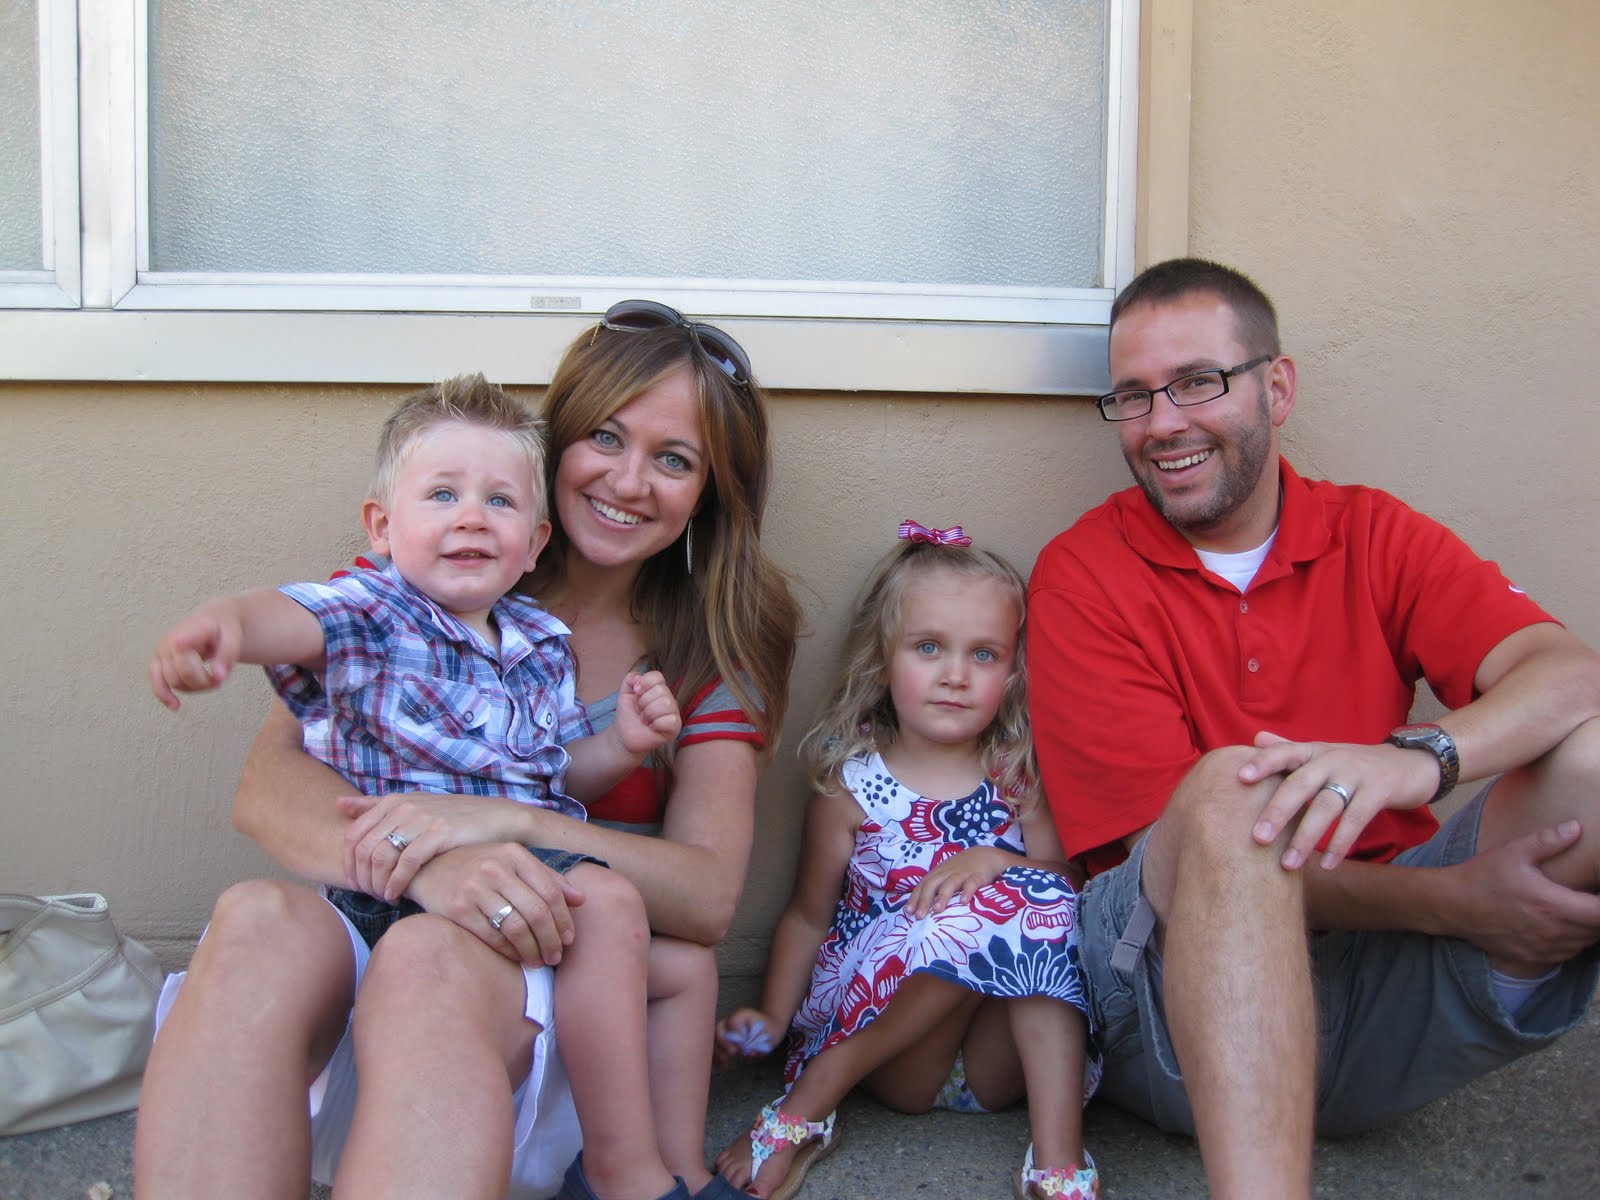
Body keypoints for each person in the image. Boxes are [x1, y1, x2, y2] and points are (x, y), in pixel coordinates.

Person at [134, 301, 801, 1200]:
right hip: (381, 922)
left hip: (552, 997)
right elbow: (267, 788)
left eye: (674, 460)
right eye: (606, 436)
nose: (629, 480)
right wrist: (432, 868)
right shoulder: (419, 584)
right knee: (256, 920)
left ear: (708, 493)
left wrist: (502, 825)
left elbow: (708, 896)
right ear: (559, 442)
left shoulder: (700, 654)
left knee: (431, 961)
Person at [1026, 257, 1600, 1199]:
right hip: (1167, 1009)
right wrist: (1458, 903)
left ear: (1278, 388)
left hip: (1383, 989)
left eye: (1197, 382)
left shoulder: (1373, 533)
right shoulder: (1083, 575)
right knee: (1228, 791)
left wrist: (1424, 759)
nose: (1161, 423)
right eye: (1133, 396)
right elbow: (1188, 866)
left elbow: (1572, 674)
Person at [714, 524, 1101, 1200]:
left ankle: (1058, 1160)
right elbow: (808, 917)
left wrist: (996, 862)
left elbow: (1069, 887)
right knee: (968, 910)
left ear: (1013, 673)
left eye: (984, 655)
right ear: (881, 662)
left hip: (997, 1065)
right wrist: (773, 1018)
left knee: (1038, 896)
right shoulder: (851, 786)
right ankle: (810, 1103)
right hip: (895, 1055)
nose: (955, 675)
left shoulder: (1018, 778)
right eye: (928, 648)